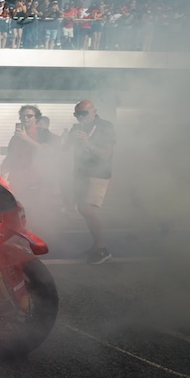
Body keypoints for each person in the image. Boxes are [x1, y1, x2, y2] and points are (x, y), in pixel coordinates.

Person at [70, 99, 115, 265]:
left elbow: (106, 154)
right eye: (78, 114)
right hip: (81, 173)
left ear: (94, 111)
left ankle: (103, 249)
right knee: (82, 209)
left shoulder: (105, 126)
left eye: (85, 113)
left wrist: (88, 144)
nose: (81, 117)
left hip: (98, 173)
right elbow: (65, 150)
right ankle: (96, 245)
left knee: (86, 208)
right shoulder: (76, 128)